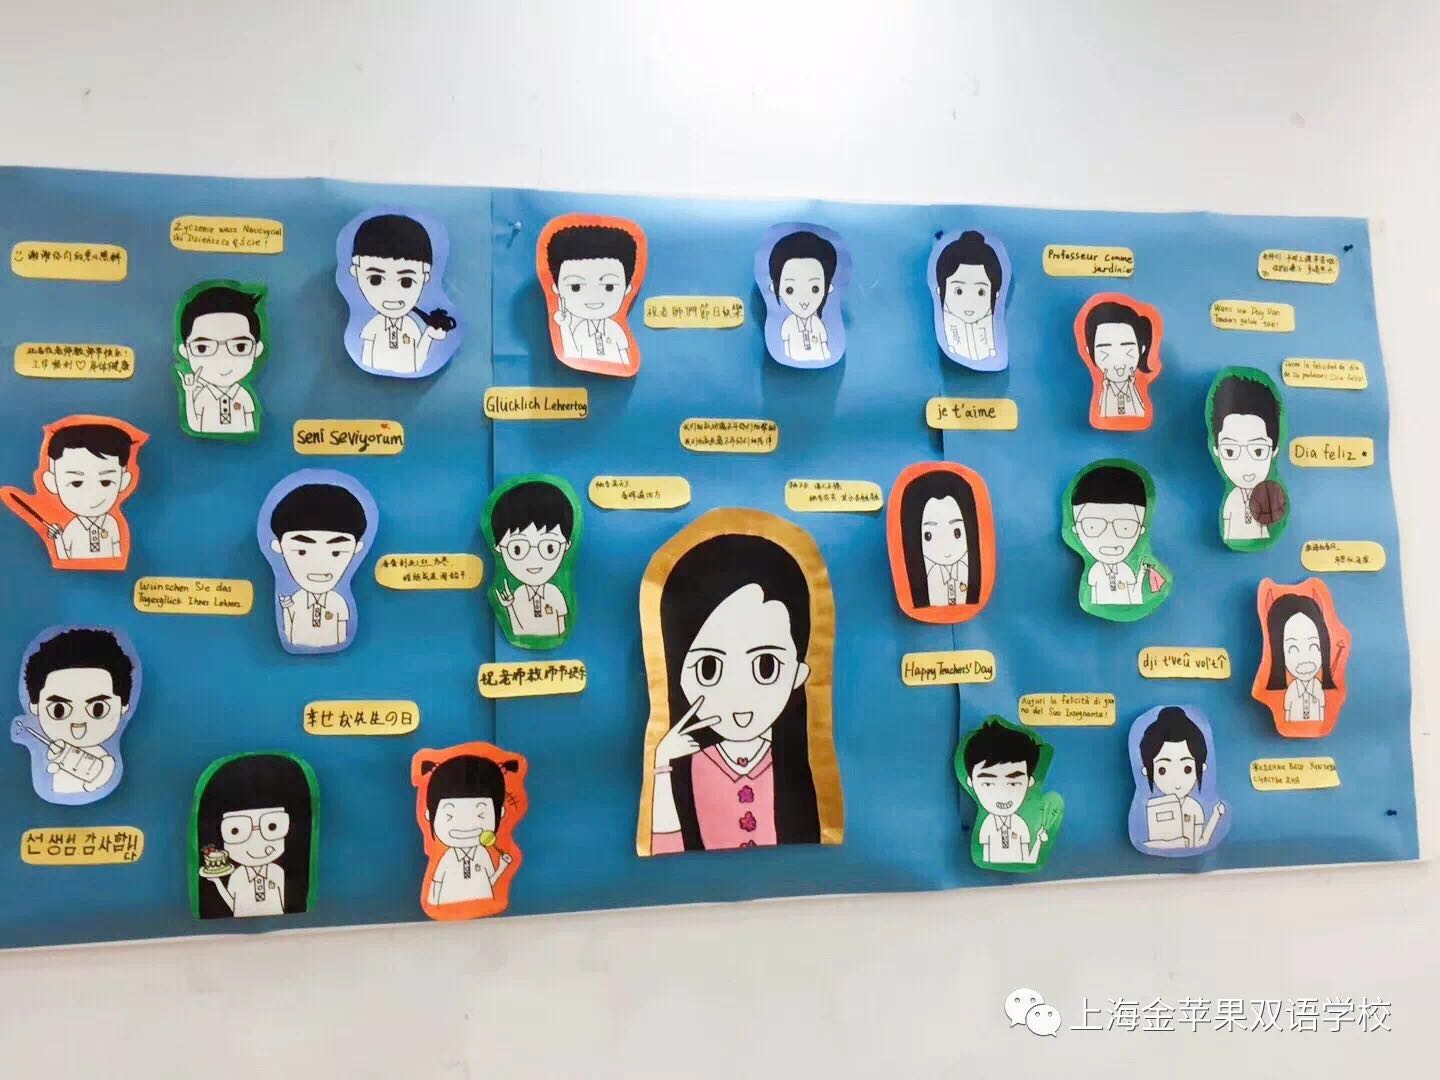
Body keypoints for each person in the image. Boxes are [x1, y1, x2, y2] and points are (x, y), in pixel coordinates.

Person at [646, 529, 832, 853]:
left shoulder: (798, 768)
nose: (739, 695)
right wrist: (662, 766)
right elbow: (667, 849)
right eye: (709, 668)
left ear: (798, 674)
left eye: (766, 666)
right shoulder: (689, 764)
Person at [13, 627, 136, 798]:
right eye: (59, 710)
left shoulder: (104, 759)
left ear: (123, 706)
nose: (78, 724)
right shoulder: (55, 750)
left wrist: (94, 780)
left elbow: (103, 775)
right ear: (35, 706)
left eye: (98, 709)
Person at [193, 753, 315, 919]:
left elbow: (284, 904)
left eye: (272, 826)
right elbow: (232, 906)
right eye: (236, 830)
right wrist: (217, 882)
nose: (257, 840)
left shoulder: (277, 872)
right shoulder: (237, 876)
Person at [1, 421, 138, 564]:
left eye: (106, 482)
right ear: (52, 482)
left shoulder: (111, 524)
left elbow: (117, 552)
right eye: (76, 483)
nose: (92, 494)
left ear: (124, 481)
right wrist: (58, 540)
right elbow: (64, 557)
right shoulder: (73, 528)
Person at [266, 481, 370, 649]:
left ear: (356, 549)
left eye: (336, 552)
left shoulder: (338, 602)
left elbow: (341, 633)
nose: (319, 564)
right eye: (301, 551)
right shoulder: (295, 601)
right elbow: (288, 627)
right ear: (279, 547)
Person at [348, 213, 453, 375]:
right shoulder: (375, 325)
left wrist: (428, 335)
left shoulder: (411, 326)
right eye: (375, 279)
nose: (392, 294)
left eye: (406, 282)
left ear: (425, 277)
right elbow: (366, 358)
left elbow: (417, 363)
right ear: (356, 272)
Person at [417, 754, 519, 908]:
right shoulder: (448, 858)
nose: (465, 824)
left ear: (500, 813)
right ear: (429, 815)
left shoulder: (483, 854)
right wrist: (433, 906)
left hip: (484, 904)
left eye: (480, 815)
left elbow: (487, 882)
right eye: (450, 815)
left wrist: (502, 867)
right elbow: (436, 886)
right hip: (447, 908)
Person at [489, 479, 576, 642]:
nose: (534, 559)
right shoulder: (518, 595)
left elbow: (562, 628)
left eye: (549, 548)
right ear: (499, 548)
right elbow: (516, 628)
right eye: (517, 549)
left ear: (566, 546)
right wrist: (510, 606)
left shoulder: (555, 593)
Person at [543, 222, 639, 367]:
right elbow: (571, 356)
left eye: (609, 287)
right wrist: (564, 327)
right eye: (575, 287)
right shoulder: (579, 331)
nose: (593, 297)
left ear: (627, 289)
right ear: (557, 288)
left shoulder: (615, 330)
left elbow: (625, 362)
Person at [174, 282, 264, 436]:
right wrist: (189, 393)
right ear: (185, 352)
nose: (223, 358)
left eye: (240, 347)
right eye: (202, 348)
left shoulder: (243, 395)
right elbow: (195, 425)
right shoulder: (203, 396)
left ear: (257, 349)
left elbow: (249, 427)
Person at [960, 719, 1051, 866]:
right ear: (971, 783)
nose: (1002, 795)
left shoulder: (1020, 825)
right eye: (988, 783)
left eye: (1013, 783)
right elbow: (985, 858)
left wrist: (1039, 842)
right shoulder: (987, 825)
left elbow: (1028, 860)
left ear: (1029, 782)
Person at [1136, 706, 1226, 850]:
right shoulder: (1153, 807)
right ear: (1146, 770)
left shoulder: (1194, 808)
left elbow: (1201, 842)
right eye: (1162, 770)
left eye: (1187, 769)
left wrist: (1216, 815)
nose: (1176, 781)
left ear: (1201, 767)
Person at [1210, 371, 1282, 543]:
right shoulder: (1232, 500)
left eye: (1258, 451)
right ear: (1217, 451)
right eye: (1230, 451)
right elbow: (1229, 534)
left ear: (1273, 451)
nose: (1245, 465)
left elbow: (1265, 533)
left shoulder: (1269, 497)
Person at [1068, 463, 1153, 607]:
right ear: (1076, 529)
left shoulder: (1126, 570)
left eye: (1125, 527)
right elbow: (1093, 600)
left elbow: (1134, 595)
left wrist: (1141, 574)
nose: (1110, 537)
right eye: (1092, 526)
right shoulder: (1095, 571)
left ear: (1140, 530)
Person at [899, 467, 982, 608]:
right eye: (929, 536)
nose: (946, 549)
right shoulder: (921, 580)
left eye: (957, 532)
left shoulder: (973, 575)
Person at [1264, 593, 1339, 726]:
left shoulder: (1318, 689)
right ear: (1279, 652)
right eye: (1293, 648)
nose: (1304, 659)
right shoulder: (1291, 691)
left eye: (1313, 646)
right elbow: (1287, 716)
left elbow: (1322, 714)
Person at [933, 230, 1003, 364]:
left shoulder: (987, 322)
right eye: (958, 291)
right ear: (941, 290)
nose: (969, 303)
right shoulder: (949, 322)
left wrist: (991, 349)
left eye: (981, 292)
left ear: (995, 294)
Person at [768, 230, 838, 363]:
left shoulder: (818, 325)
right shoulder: (788, 325)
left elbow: (825, 351)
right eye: (790, 290)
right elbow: (786, 351)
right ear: (775, 288)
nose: (804, 301)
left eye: (815, 289)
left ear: (828, 288)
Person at [1080, 299, 1155, 419]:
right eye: (1105, 353)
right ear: (1089, 352)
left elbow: (1140, 413)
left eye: (1128, 351)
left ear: (1142, 349)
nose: (1117, 362)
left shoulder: (1134, 388)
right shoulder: (1103, 391)